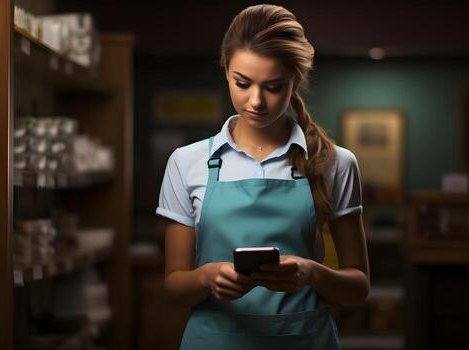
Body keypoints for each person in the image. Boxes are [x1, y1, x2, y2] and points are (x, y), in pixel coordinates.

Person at [156, 4, 369, 349]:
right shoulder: (187, 162)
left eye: (274, 86)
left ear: (296, 81)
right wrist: (208, 277)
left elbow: (358, 288)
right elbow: (174, 287)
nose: (255, 101)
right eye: (242, 83)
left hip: (304, 341)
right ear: (226, 71)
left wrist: (310, 272)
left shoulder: (335, 163)